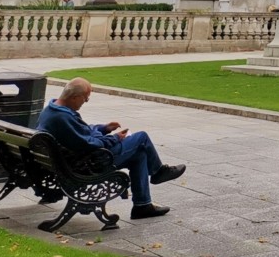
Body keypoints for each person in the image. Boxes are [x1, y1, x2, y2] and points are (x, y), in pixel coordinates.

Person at [35, 78, 186, 220]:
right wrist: (115, 138)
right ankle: (158, 172)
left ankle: (143, 205)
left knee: (139, 154)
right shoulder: (62, 118)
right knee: (141, 138)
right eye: (85, 98)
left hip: (72, 161)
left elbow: (84, 131)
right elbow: (90, 144)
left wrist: (104, 128)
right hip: (89, 164)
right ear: (74, 97)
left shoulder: (52, 110)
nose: (86, 101)